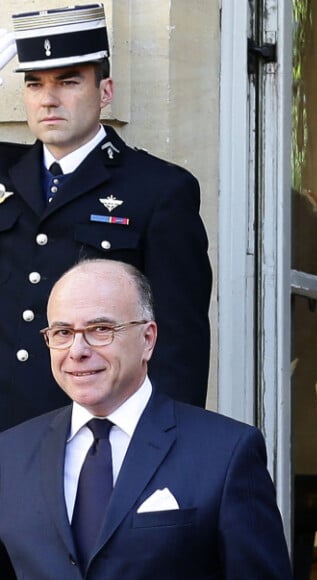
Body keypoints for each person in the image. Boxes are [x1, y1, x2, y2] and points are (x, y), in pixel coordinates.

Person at [0, 259, 291, 579]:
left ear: (147, 339)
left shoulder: (226, 453)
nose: (77, 349)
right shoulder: (9, 455)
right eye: (63, 332)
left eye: (100, 329)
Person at [0, 3, 211, 430]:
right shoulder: (5, 172)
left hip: (94, 433)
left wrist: (160, 448)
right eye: (35, 84)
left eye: (69, 81)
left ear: (106, 91)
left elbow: (178, 343)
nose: (49, 99)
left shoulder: (158, 189)